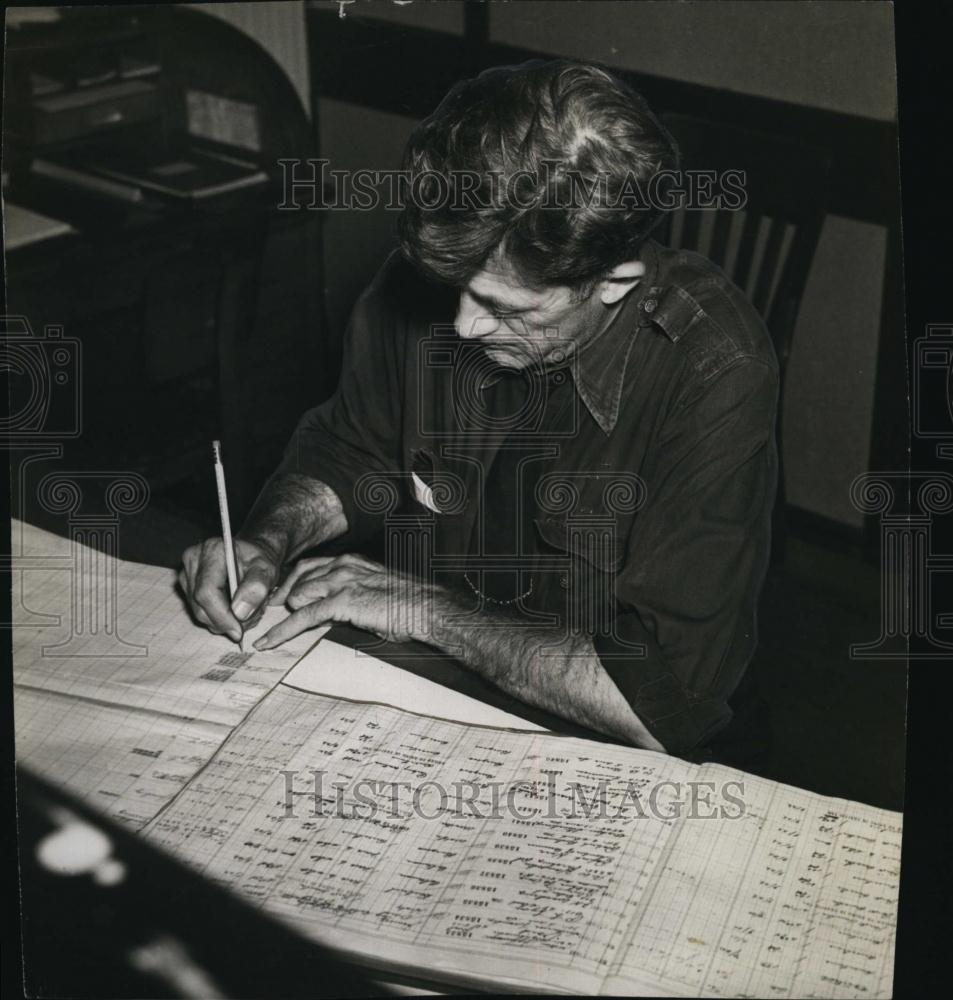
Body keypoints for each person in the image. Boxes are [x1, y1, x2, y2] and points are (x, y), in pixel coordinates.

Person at [180, 59, 778, 760]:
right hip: (433, 692)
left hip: (594, 738)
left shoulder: (712, 369)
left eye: (502, 307)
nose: (463, 325)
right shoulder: (426, 286)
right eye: (456, 286)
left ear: (612, 283)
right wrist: (267, 540)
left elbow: (659, 701)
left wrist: (426, 611)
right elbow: (349, 451)